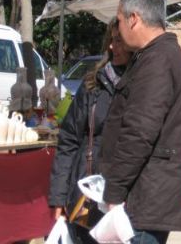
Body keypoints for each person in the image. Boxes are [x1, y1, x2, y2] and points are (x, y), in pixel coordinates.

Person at [99, 0, 181, 244]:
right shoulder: (157, 56)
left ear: (134, 19)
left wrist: (114, 192)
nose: (117, 30)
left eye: (119, 21)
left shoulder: (158, 60)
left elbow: (139, 133)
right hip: (147, 197)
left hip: (143, 200)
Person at [49, 18, 132, 243]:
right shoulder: (93, 85)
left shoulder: (143, 86)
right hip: (86, 196)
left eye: (120, 41)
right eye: (111, 40)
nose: (113, 47)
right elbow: (68, 141)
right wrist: (59, 197)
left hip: (124, 201)